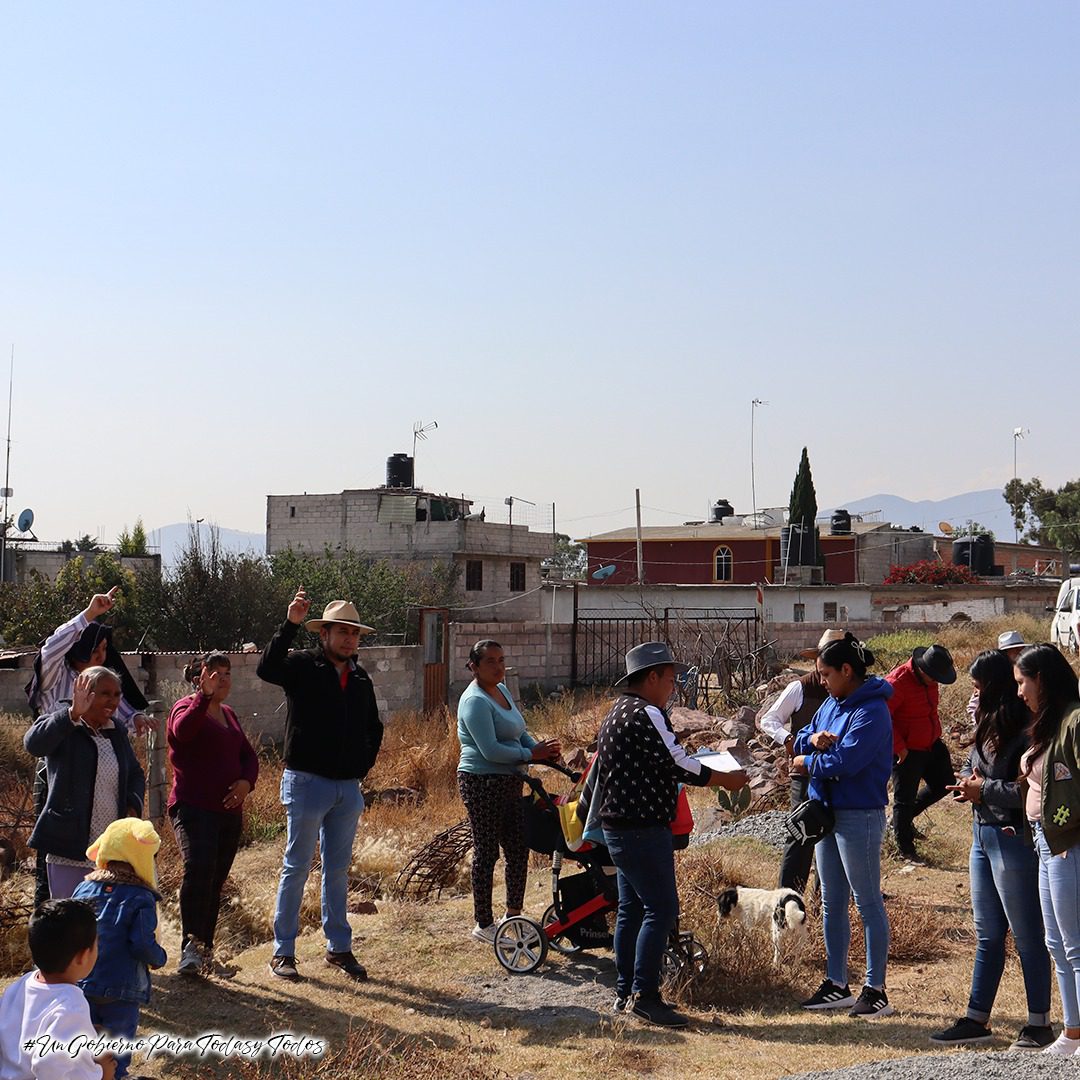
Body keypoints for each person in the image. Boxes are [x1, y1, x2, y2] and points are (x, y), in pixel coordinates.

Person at [589, 641, 748, 1028]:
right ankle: (646, 995)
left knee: (632, 909)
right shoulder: (646, 713)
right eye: (671, 678)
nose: (673, 686)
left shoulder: (617, 712)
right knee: (660, 909)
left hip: (620, 827)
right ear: (652, 677)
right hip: (642, 828)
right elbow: (678, 762)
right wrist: (725, 778)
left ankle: (626, 992)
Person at [258, 590, 383, 983]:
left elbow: (373, 727)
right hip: (307, 782)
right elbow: (266, 667)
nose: (349, 639)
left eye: (354, 633)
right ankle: (284, 953)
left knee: (338, 870)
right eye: (341, 632)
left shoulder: (360, 677)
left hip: (347, 788)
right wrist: (290, 623)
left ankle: (338, 947)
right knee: (296, 868)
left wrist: (362, 765)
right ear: (324, 634)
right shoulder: (302, 666)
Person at [931, 649, 1052, 1050]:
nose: (973, 696)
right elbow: (972, 765)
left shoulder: (1027, 733)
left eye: (979, 688)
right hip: (982, 837)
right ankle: (976, 1017)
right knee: (987, 934)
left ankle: (1039, 1023)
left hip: (1012, 840)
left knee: (1027, 934)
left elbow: (1027, 792)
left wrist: (981, 788)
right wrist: (969, 782)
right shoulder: (988, 726)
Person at [24, 589, 154, 907]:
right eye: (99, 649)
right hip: (55, 763)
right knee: (51, 888)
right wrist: (88, 616)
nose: (102, 655)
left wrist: (135, 716)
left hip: (101, 838)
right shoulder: (57, 676)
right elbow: (53, 648)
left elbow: (113, 706)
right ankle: (48, 948)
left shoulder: (105, 708)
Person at [793, 632, 895, 1019]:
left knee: (867, 902)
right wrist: (813, 738)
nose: (821, 681)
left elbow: (848, 762)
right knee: (832, 901)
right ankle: (837, 983)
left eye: (825, 674)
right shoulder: (832, 703)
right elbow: (803, 736)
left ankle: (876, 988)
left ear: (846, 670)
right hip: (825, 812)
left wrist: (808, 764)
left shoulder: (871, 710)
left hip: (859, 814)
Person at [456, 640, 562, 942]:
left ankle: (512, 915)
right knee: (487, 851)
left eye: (501, 660)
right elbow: (490, 750)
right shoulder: (475, 701)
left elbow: (519, 732)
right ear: (474, 667)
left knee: (517, 848)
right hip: (482, 782)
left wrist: (540, 749)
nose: (498, 666)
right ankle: (484, 923)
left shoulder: (501, 691)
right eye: (490, 661)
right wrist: (533, 756)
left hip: (512, 781)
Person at [167, 652, 259, 975]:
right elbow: (182, 733)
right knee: (199, 869)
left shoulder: (230, 714)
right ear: (199, 677)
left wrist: (247, 782)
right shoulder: (186, 708)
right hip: (194, 807)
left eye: (227, 673)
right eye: (215, 672)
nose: (222, 678)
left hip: (227, 814)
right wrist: (201, 699)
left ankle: (205, 953)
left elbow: (248, 756)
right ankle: (190, 950)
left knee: (215, 880)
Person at [24, 669, 145, 899]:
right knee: (71, 923)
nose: (113, 701)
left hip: (108, 850)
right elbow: (34, 745)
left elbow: (136, 774)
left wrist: (132, 807)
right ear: (85, 694)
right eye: (105, 693)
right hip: (69, 846)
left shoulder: (116, 731)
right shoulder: (65, 724)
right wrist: (72, 714)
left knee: (104, 926)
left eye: (117, 694)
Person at [1016, 643, 1080, 1056]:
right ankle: (1073, 1033)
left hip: (1068, 846)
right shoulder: (1050, 722)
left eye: (1023, 682)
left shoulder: (1076, 721)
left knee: (1076, 944)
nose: (1020, 692)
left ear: (1042, 678)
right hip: (1045, 842)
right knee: (1055, 943)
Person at [72, 819, 167, 1080]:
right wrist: (160, 958)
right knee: (117, 1053)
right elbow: (141, 944)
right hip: (122, 989)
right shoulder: (141, 897)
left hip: (83, 983)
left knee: (85, 1050)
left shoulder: (83, 888)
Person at [759, 628, 841, 892]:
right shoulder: (800, 687)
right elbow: (769, 720)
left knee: (832, 838)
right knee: (801, 835)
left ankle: (824, 897)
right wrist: (788, 740)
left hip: (837, 773)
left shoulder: (851, 690)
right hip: (805, 772)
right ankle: (789, 897)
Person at [0, 898, 115, 1080]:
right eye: (96, 945)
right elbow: (48, 1065)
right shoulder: (71, 1007)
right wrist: (102, 1074)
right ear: (83, 956)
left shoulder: (21, 985)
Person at [886, 643, 958, 860]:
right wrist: (898, 747)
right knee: (904, 799)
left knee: (945, 783)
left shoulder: (930, 677)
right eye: (934, 678)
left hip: (931, 742)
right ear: (922, 670)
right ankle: (905, 849)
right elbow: (881, 719)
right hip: (906, 749)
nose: (936, 682)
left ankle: (902, 822)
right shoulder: (897, 682)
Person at [966, 631, 1030, 721]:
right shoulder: (994, 674)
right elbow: (974, 704)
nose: (1020, 653)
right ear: (1005, 653)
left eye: (1021, 650)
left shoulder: (1025, 673)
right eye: (1015, 650)